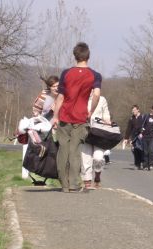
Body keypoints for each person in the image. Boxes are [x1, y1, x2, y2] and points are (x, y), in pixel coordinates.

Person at [52, 42, 102, 193]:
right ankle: (74, 184)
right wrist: (91, 110)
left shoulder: (66, 73)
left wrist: (55, 116)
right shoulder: (95, 75)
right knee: (74, 151)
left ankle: (64, 184)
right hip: (80, 117)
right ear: (88, 56)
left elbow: (60, 97)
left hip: (64, 116)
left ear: (75, 56)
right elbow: (97, 94)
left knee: (63, 150)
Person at [81, 96, 111, 190]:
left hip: (99, 132)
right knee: (85, 159)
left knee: (98, 157)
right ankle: (87, 182)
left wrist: (107, 121)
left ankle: (97, 176)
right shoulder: (81, 97)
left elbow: (106, 114)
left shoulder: (102, 99)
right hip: (85, 131)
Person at [124, 105, 144, 170]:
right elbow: (128, 129)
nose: (133, 112)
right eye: (132, 111)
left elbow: (146, 126)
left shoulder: (143, 117)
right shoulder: (131, 118)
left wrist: (142, 133)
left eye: (134, 110)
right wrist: (126, 138)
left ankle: (141, 162)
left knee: (140, 150)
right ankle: (137, 164)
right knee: (134, 150)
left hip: (141, 136)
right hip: (134, 137)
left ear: (138, 110)